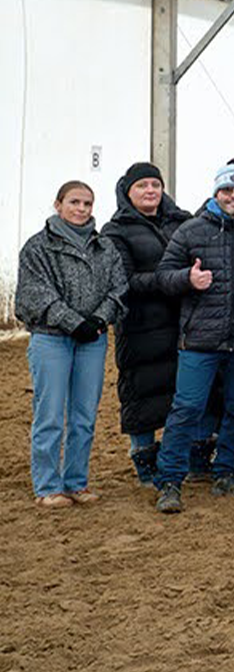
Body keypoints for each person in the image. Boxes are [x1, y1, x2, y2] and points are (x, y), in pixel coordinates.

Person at [152, 163, 234, 513]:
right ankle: (170, 480)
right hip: (200, 340)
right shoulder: (192, 230)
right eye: (227, 191)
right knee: (187, 408)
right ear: (216, 193)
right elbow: (163, 276)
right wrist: (186, 280)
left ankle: (227, 471)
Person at [15, 181, 126, 508]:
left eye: (87, 203)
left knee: (83, 415)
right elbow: (35, 293)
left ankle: (76, 482)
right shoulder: (37, 248)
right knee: (49, 414)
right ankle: (48, 485)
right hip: (51, 339)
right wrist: (72, 321)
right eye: (74, 202)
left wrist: (98, 319)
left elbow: (119, 288)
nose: (81, 209)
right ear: (58, 204)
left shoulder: (105, 247)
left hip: (92, 339)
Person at [101, 162, 191, 488]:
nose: (150, 191)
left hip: (180, 321)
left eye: (155, 184)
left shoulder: (182, 221)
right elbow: (124, 280)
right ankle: (143, 459)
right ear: (127, 191)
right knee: (142, 393)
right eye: (142, 186)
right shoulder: (116, 231)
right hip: (140, 326)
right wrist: (176, 280)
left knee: (179, 391)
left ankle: (177, 457)